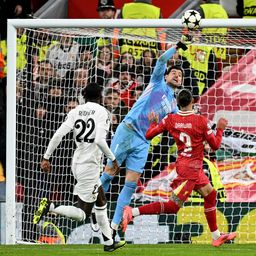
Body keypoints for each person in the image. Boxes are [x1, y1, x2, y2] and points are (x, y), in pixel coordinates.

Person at [99, 35, 192, 234]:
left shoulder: (174, 106)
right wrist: (177, 46)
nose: (177, 76)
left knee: (131, 184)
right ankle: (89, 208)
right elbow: (161, 61)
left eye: (180, 75)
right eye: (174, 73)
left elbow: (178, 123)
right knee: (109, 175)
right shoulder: (157, 83)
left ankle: (114, 226)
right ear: (166, 76)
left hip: (143, 142)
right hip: (128, 131)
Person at [121, 89, 237, 247]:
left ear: (177, 103)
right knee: (173, 206)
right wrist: (220, 129)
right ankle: (132, 212)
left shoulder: (170, 119)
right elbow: (215, 146)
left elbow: (148, 135)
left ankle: (216, 236)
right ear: (192, 102)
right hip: (189, 170)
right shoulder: (201, 121)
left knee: (210, 195)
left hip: (189, 167)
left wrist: (154, 122)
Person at [33, 83, 126, 252]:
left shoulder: (75, 111)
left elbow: (58, 135)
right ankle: (51, 207)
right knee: (83, 214)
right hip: (90, 166)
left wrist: (46, 157)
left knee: (101, 200)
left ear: (84, 96)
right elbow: (99, 140)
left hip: (77, 162)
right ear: (100, 97)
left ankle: (108, 242)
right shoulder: (102, 112)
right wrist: (112, 159)